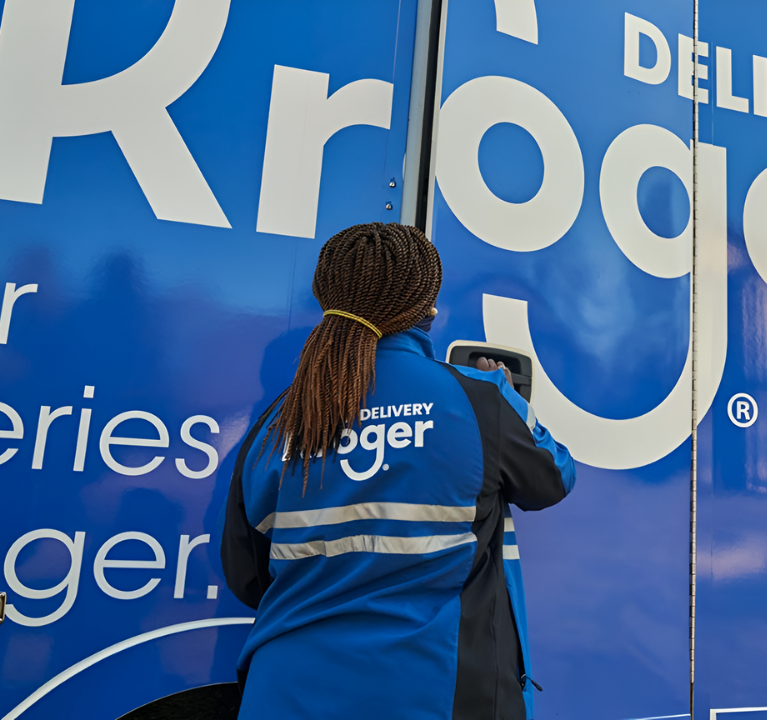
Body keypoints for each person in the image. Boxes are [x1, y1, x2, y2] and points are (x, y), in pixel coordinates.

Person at [220, 223, 575, 719]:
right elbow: (552, 479)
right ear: (428, 309)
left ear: (327, 298)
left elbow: (248, 577)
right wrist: (510, 401)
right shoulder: (479, 398)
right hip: (431, 693)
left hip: (284, 696)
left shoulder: (277, 422)